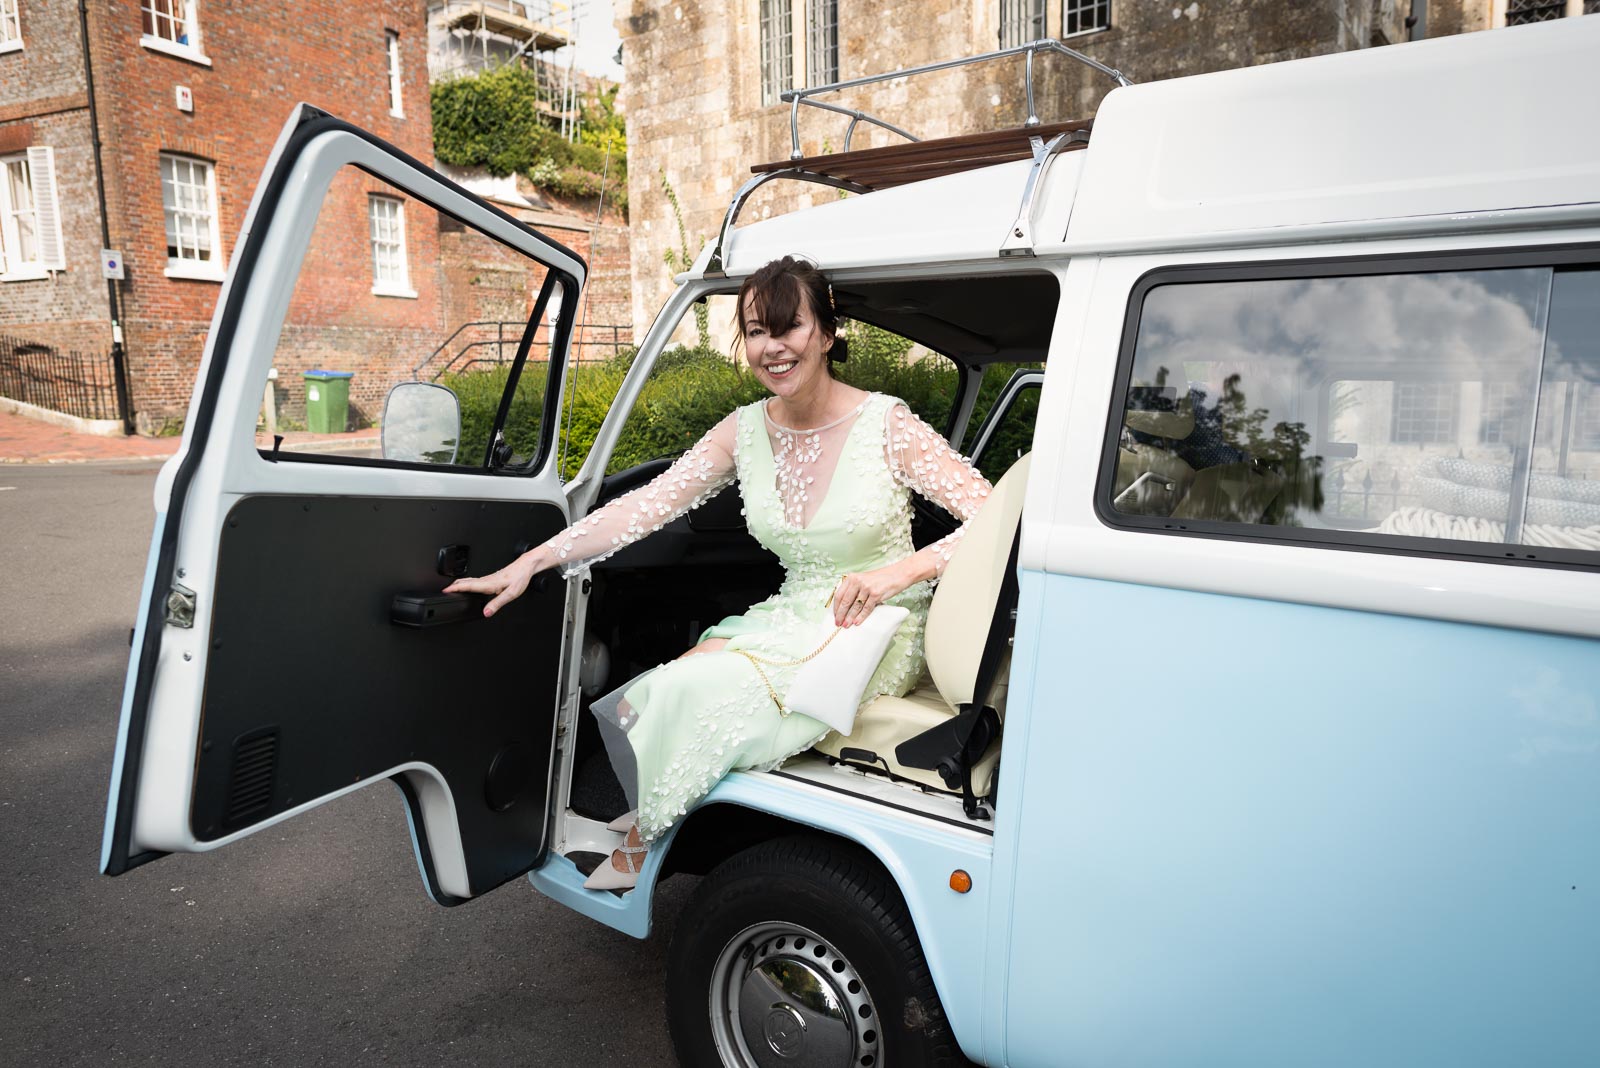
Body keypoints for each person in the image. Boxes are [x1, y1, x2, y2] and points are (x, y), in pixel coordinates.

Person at [445, 256, 994, 890]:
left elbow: (995, 518)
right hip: (791, 611)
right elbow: (644, 507)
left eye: (790, 327)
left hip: (879, 624)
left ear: (827, 332)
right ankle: (660, 825)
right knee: (665, 679)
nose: (773, 347)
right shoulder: (744, 431)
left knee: (684, 693)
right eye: (757, 330)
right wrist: (535, 559)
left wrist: (900, 572)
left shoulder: (886, 423)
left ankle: (644, 839)